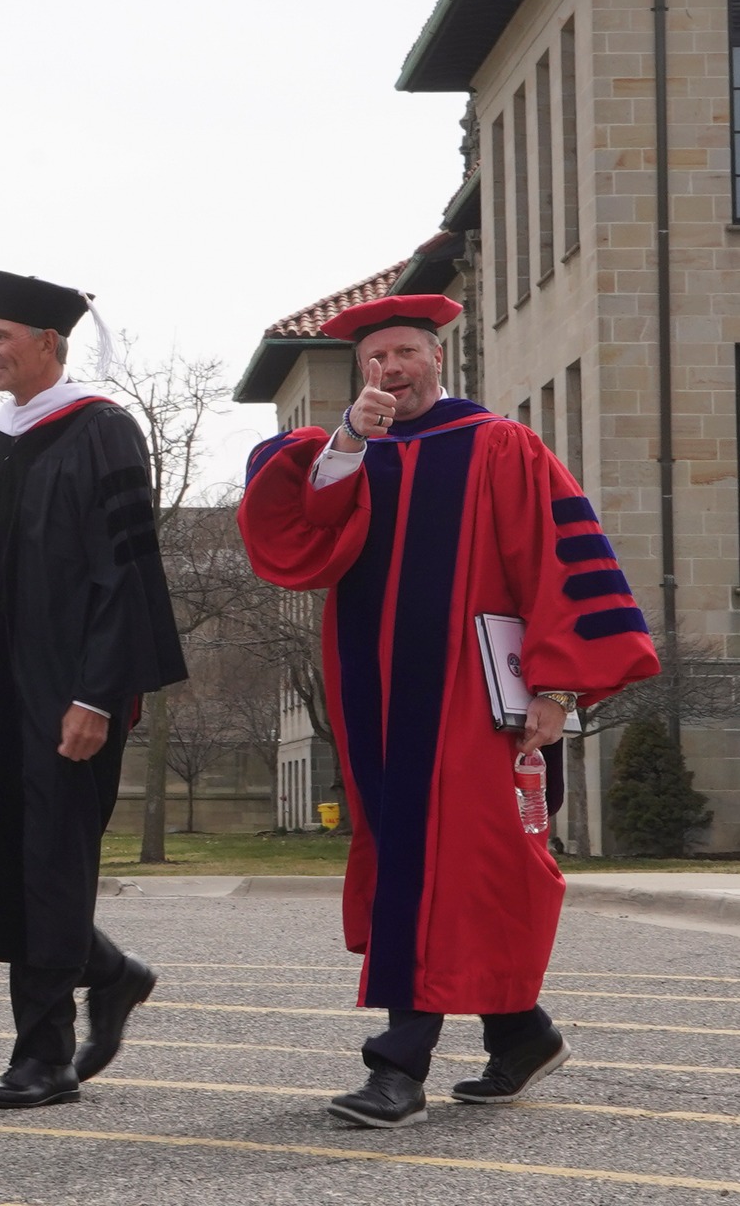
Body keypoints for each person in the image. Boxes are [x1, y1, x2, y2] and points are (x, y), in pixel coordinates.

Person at [238, 294, 659, 1129]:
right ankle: (521, 1033)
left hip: (473, 699)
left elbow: (559, 563)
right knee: (436, 865)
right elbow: (305, 524)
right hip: (373, 700)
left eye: (402, 354)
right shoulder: (353, 450)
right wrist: (351, 437)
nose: (388, 371)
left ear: (438, 357)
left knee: (442, 864)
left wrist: (558, 688)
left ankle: (397, 1068)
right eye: (373, 361)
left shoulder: (499, 447)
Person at [0, 269, 187, 1110]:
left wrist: (99, 695)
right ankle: (109, 970)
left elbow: (125, 571)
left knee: (46, 862)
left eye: (0, 336)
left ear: (48, 344)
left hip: (65, 692)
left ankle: (43, 1057)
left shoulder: (102, 432)